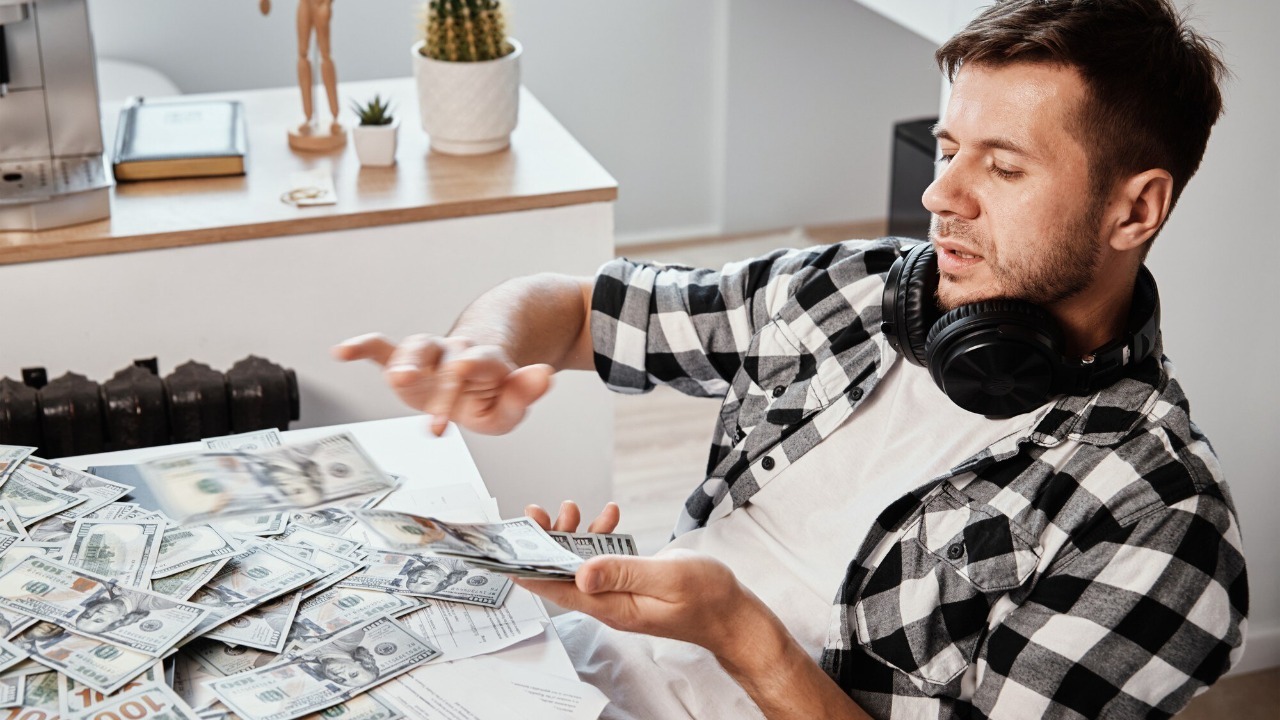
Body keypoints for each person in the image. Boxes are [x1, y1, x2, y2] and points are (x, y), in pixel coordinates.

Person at [334, 1, 1248, 717]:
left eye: (1003, 169)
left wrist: (738, 632)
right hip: (581, 672)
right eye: (948, 147)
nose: (939, 194)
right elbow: (574, 308)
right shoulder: (859, 290)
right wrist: (482, 351)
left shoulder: (1160, 522)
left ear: (1135, 211)